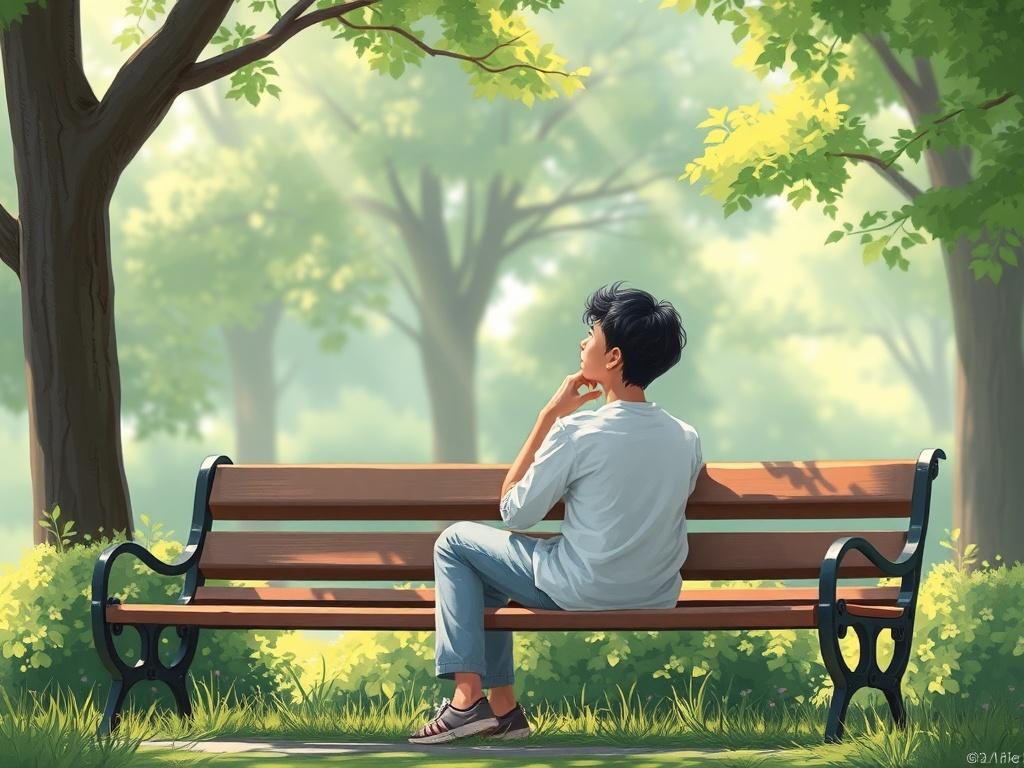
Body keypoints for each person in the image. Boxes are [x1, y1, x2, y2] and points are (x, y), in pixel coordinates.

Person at [408, 281, 703, 744]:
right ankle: (504, 710)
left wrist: (548, 416)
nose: (584, 342)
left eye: (593, 334)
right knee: (486, 570)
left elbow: (514, 513)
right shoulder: (686, 437)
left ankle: (466, 701)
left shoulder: (577, 430)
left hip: (584, 589)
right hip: (655, 591)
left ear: (613, 358)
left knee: (455, 542)